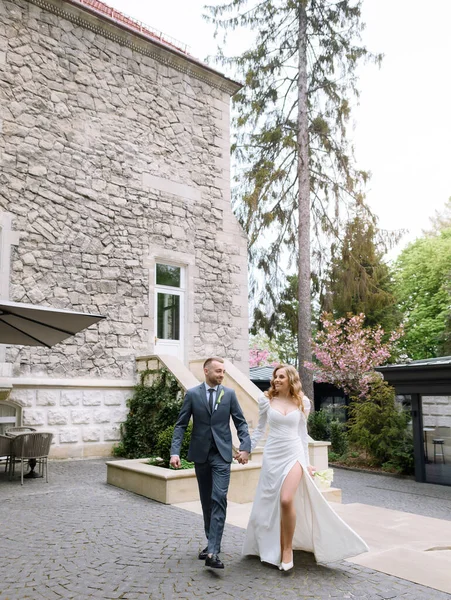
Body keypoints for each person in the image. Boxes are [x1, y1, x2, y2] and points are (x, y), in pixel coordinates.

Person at [241, 364, 369, 571]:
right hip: (272, 455)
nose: (276, 380)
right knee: (270, 503)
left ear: (291, 379)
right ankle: (272, 544)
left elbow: (302, 435)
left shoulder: (303, 402)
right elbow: (258, 430)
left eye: (281, 376)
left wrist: (307, 463)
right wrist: (246, 450)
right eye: (275, 377)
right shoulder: (266, 401)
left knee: (286, 499)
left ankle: (287, 549)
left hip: (294, 455)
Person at [170, 357, 251, 569]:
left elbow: (240, 422)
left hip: (222, 456)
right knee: (206, 501)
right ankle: (211, 543)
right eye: (217, 371)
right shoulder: (193, 394)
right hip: (201, 455)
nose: (221, 375)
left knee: (219, 497)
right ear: (206, 371)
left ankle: (213, 551)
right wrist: (174, 452)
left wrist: (245, 447)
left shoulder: (230, 395)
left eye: (223, 371)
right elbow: (180, 425)